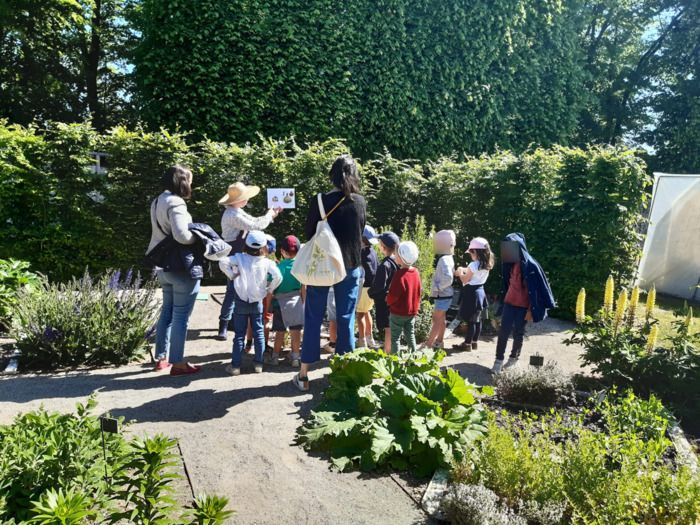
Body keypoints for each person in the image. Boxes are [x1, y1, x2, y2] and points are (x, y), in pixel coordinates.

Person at [292, 155, 366, 392]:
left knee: (313, 317)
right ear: (354, 175)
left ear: (332, 175)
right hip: (351, 265)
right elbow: (360, 233)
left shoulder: (320, 201)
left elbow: (308, 233)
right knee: (346, 317)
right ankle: (344, 373)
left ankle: (303, 374)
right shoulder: (360, 202)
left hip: (323, 267)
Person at [147, 165, 202, 376]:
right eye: (189, 180)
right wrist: (199, 236)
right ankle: (178, 363)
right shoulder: (176, 203)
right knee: (181, 316)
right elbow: (182, 236)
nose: (191, 184)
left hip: (163, 265)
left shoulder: (157, 201)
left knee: (167, 312)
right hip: (180, 267)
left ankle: (161, 358)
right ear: (181, 181)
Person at [216, 182, 282, 341]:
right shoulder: (233, 215)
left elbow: (254, 221)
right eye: (244, 197)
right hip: (234, 252)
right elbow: (255, 225)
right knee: (232, 289)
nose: (247, 199)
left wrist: (270, 215)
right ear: (237, 200)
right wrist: (270, 214)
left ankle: (231, 322)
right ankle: (223, 325)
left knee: (239, 287)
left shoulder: (236, 210)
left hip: (239, 251)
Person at [219, 230, 282, 376]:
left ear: (246, 244)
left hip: (240, 300)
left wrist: (232, 275)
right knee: (259, 332)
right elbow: (278, 277)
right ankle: (258, 364)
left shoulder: (239, 258)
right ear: (263, 246)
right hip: (257, 302)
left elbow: (222, 261)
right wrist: (269, 289)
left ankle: (235, 366)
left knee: (239, 334)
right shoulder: (267, 262)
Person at [492, 232, 555, 373]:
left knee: (518, 333)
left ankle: (513, 359)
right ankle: (498, 360)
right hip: (509, 303)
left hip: (522, 307)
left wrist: (530, 310)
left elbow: (537, 291)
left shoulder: (531, 266)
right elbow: (506, 284)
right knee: (503, 332)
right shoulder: (508, 264)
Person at [454, 237, 494, 352]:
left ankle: (467, 344)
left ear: (476, 251)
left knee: (471, 321)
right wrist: (464, 269)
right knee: (477, 319)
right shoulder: (487, 263)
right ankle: (474, 342)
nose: (470, 255)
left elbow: (465, 280)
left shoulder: (473, 264)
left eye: (471, 252)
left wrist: (460, 272)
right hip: (480, 291)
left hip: (471, 293)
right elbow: (474, 275)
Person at [269, 235, 305, 367]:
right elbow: (303, 287)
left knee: (280, 332)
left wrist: (269, 304)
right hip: (296, 302)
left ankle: (275, 357)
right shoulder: (300, 267)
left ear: (282, 251)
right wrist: (303, 303)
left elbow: (271, 286)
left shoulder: (278, 267)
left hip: (280, 303)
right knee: (296, 332)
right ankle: (295, 357)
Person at [386, 241, 421, 354]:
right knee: (410, 334)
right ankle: (414, 357)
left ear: (401, 257)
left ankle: (394, 361)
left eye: (396, 254)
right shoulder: (416, 272)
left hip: (397, 313)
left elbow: (393, 295)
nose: (394, 255)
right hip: (411, 312)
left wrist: (388, 300)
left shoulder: (399, 275)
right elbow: (418, 292)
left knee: (395, 338)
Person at [368, 232, 400, 352]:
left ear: (384, 247)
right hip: (396, 301)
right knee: (393, 328)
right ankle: (392, 352)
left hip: (385, 302)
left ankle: (388, 354)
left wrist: (370, 293)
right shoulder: (399, 262)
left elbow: (379, 286)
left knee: (388, 329)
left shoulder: (385, 265)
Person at [424, 229, 456, 349]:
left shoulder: (444, 259)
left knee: (436, 319)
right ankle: (439, 341)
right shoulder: (448, 257)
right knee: (441, 318)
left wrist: (437, 287)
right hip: (445, 295)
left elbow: (448, 278)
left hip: (443, 294)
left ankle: (428, 344)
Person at [356, 225, 379, 349]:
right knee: (367, 312)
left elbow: (368, 272)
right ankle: (370, 338)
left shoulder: (362, 253)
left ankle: (362, 340)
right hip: (372, 288)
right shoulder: (373, 252)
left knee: (360, 314)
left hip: (364, 288)